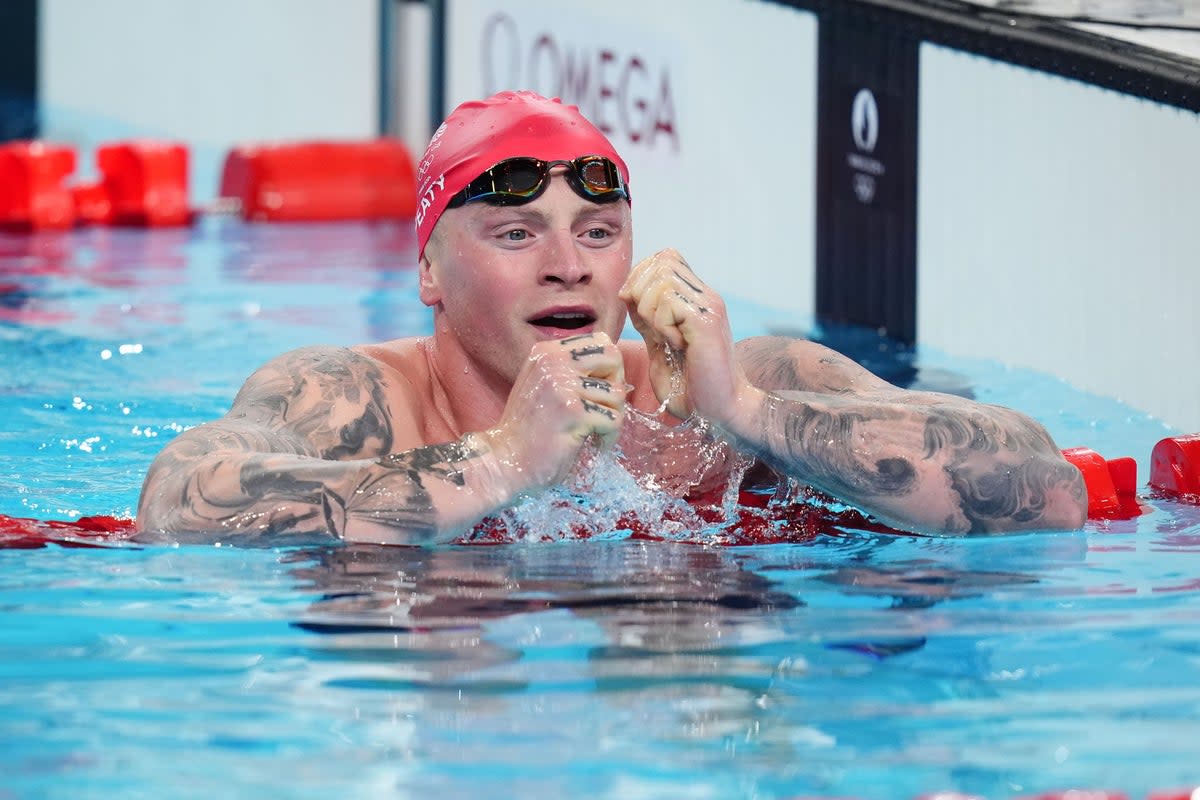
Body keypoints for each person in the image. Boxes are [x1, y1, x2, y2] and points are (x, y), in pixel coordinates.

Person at [135, 90, 1087, 543]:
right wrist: (502, 462)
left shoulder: (735, 386)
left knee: (681, 647)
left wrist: (747, 410)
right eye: (515, 235)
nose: (567, 268)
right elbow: (175, 502)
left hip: (681, 722)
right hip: (448, 698)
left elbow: (1052, 494)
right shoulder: (353, 395)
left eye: (598, 231)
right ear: (428, 268)